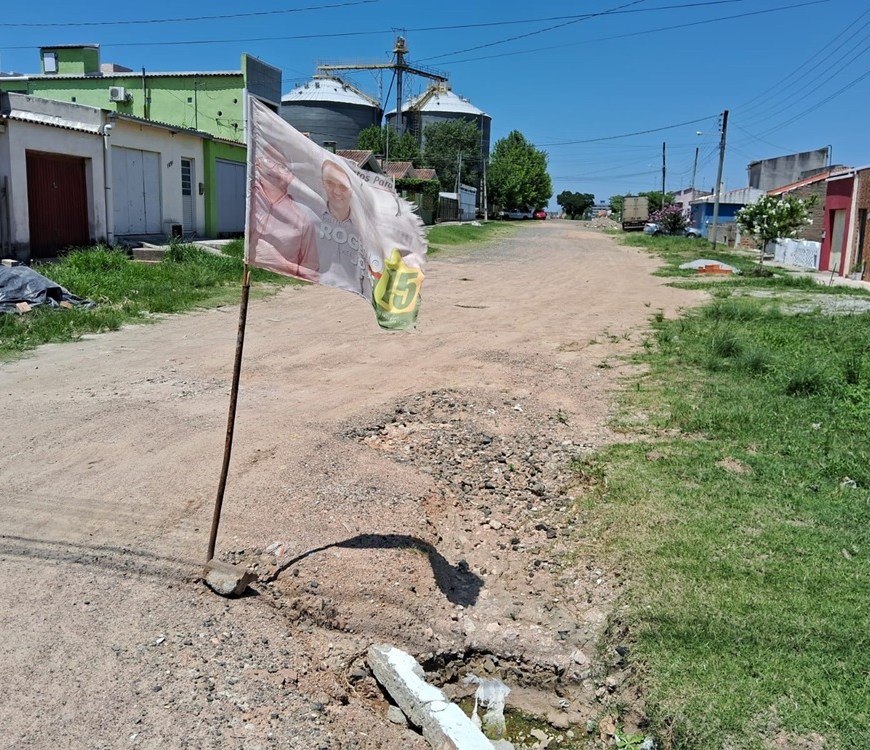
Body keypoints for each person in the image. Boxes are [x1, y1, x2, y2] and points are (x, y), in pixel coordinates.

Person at [247, 144, 318, 282]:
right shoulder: (248, 199)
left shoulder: (302, 219)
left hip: (282, 284)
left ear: (290, 176)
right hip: (246, 276)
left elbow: (311, 269)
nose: (275, 168)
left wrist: (284, 265)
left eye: (282, 165)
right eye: (270, 160)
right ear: (258, 164)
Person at [316, 159, 372, 298]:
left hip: (355, 304)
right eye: (330, 183)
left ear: (352, 188)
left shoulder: (366, 228)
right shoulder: (312, 221)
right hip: (318, 301)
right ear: (323, 183)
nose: (336, 191)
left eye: (343, 185)